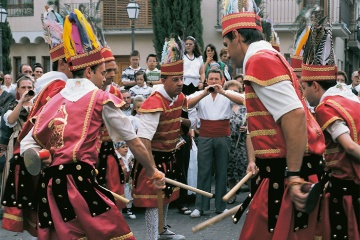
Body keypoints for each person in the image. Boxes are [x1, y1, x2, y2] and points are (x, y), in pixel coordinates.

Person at [19, 9, 165, 240]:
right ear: (89, 70)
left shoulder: (53, 100)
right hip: (79, 187)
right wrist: (153, 172)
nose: (105, 78)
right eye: (101, 72)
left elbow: (28, 144)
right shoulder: (100, 98)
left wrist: (40, 155)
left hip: (52, 188)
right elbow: (134, 142)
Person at [221, 1, 325, 239]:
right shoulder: (267, 57)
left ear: (237, 36)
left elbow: (295, 116)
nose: (226, 53)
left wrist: (294, 176)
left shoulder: (260, 60)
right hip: (280, 173)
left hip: (284, 177)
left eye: (226, 44)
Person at [300, 22, 360, 240]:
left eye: (304, 87)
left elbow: (350, 147)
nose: (303, 94)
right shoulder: (349, 97)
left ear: (315, 86)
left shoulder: (327, 107)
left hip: (346, 190)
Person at [131, 37, 186, 240]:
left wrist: (207, 92)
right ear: (163, 80)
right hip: (151, 158)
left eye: (181, 78)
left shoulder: (178, 97)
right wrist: (152, 170)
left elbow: (191, 99)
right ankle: (152, 237)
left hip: (168, 156)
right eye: (175, 80)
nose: (180, 83)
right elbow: (143, 140)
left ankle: (162, 231)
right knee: (153, 202)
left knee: (167, 197)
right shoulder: (154, 103)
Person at [187, 68, 244, 218]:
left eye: (216, 79)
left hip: (223, 135)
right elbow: (188, 104)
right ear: (206, 81)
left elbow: (243, 100)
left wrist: (223, 92)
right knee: (204, 171)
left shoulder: (228, 94)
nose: (213, 82)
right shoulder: (200, 94)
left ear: (222, 81)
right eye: (211, 79)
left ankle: (221, 206)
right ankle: (200, 206)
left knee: (222, 171)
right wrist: (204, 93)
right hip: (205, 135)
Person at [223, 80, 248, 204]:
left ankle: (253, 195)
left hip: (243, 143)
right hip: (229, 142)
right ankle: (232, 194)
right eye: (231, 91)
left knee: (245, 169)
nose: (233, 94)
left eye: (236, 91)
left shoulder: (245, 106)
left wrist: (247, 128)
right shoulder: (224, 105)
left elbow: (254, 122)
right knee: (230, 170)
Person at [114, 141, 136, 220]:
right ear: (117, 149)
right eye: (123, 147)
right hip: (120, 179)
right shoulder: (116, 158)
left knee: (129, 194)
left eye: (127, 146)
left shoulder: (130, 156)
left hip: (128, 179)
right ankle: (120, 211)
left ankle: (129, 209)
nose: (126, 148)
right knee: (120, 195)